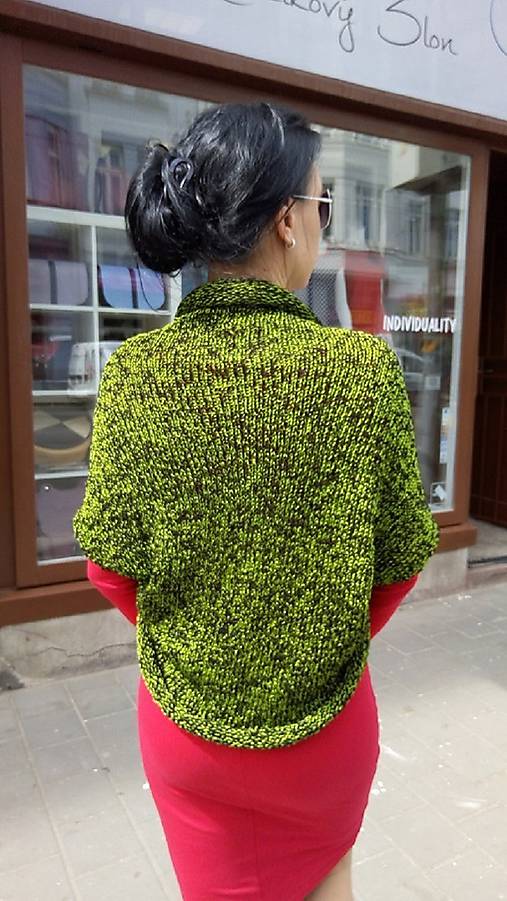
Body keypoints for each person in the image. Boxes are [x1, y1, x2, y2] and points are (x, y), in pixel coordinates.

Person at [74, 102, 439, 901]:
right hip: (325, 733)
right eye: (321, 203)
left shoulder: (137, 374)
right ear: (285, 219)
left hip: (187, 730)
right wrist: (313, 636)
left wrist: (206, 640)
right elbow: (398, 559)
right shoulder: (361, 372)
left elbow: (109, 567)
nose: (321, 224)